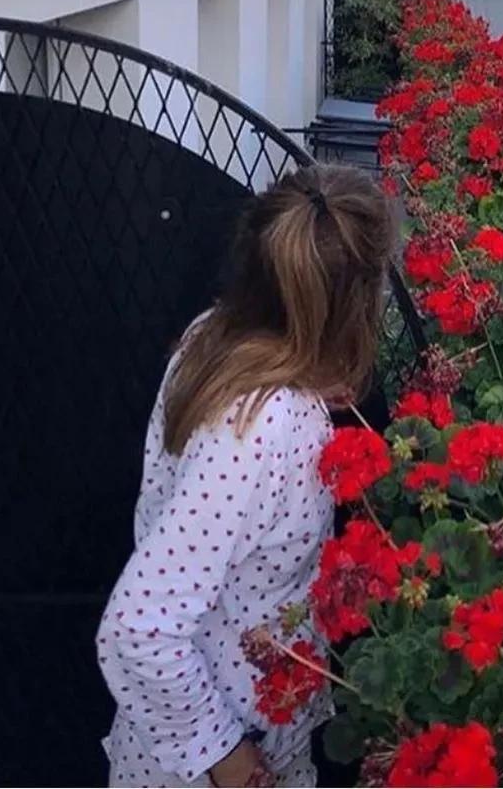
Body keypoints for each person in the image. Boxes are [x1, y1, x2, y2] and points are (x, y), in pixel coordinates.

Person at [97, 164, 394, 787]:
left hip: (238, 734)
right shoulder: (266, 426)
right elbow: (138, 630)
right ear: (356, 305)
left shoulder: (214, 338)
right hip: (222, 759)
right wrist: (224, 757)